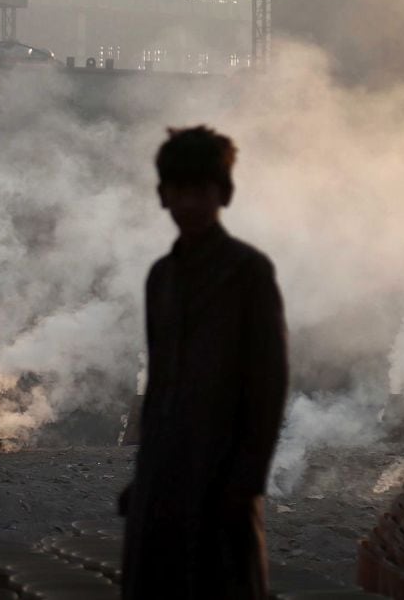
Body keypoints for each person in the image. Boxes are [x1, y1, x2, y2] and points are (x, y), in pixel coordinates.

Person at [120, 126, 289, 599]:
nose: (189, 203)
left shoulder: (248, 273)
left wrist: (246, 483)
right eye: (179, 190)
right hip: (163, 477)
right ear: (161, 195)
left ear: (225, 194)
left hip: (221, 479)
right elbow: (160, 386)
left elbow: (268, 387)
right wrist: (144, 477)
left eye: (201, 190)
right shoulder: (161, 278)